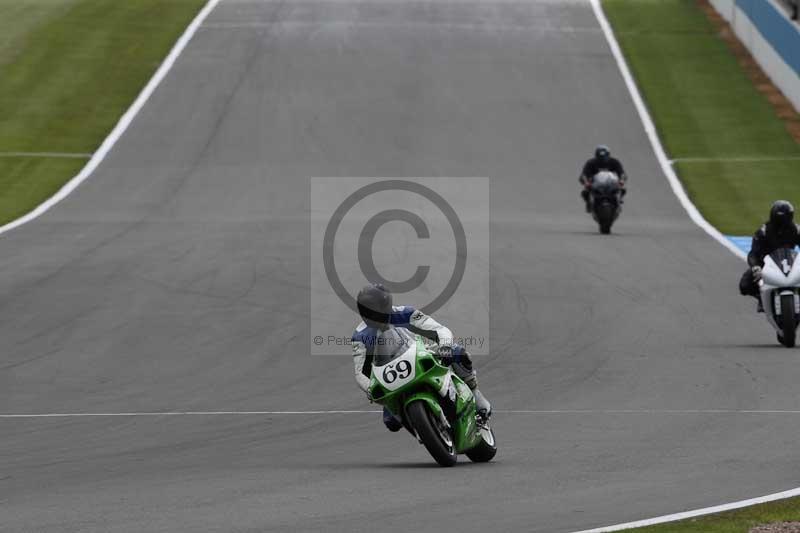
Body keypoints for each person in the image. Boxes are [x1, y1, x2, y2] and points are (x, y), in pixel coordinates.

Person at [351, 283, 492, 432]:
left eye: (375, 312)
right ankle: (425, 429)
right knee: (391, 422)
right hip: (390, 377)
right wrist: (369, 388)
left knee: (458, 353)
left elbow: (438, 329)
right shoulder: (360, 336)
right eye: (368, 312)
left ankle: (476, 394)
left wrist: (444, 345)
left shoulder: (405, 313)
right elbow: (360, 372)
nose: (373, 317)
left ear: (385, 307)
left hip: (419, 355)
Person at [739, 200, 800, 311]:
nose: (782, 224)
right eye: (779, 221)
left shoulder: (796, 230)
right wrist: (756, 267)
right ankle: (761, 297)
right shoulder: (763, 232)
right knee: (744, 285)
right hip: (767, 264)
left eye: (784, 220)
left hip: (791, 262)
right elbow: (753, 253)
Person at [579, 145, 628, 213]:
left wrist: (622, 180)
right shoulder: (591, 163)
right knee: (585, 192)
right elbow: (584, 174)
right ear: (596, 156)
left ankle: (619, 201)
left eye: (604, 157)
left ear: (608, 155)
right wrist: (586, 182)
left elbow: (621, 173)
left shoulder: (614, 162)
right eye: (600, 157)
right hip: (595, 184)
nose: (603, 159)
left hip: (610, 183)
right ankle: (589, 204)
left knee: (623, 189)